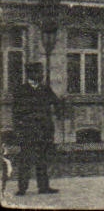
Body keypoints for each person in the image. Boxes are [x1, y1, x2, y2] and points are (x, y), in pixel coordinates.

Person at [12, 62, 61, 196]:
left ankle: (44, 187)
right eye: (38, 72)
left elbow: (56, 103)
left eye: (41, 72)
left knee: (43, 159)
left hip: (44, 130)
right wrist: (18, 131)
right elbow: (16, 113)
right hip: (28, 131)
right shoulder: (21, 91)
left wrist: (59, 110)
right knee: (25, 160)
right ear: (30, 74)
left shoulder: (45, 89)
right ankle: (22, 188)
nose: (41, 75)